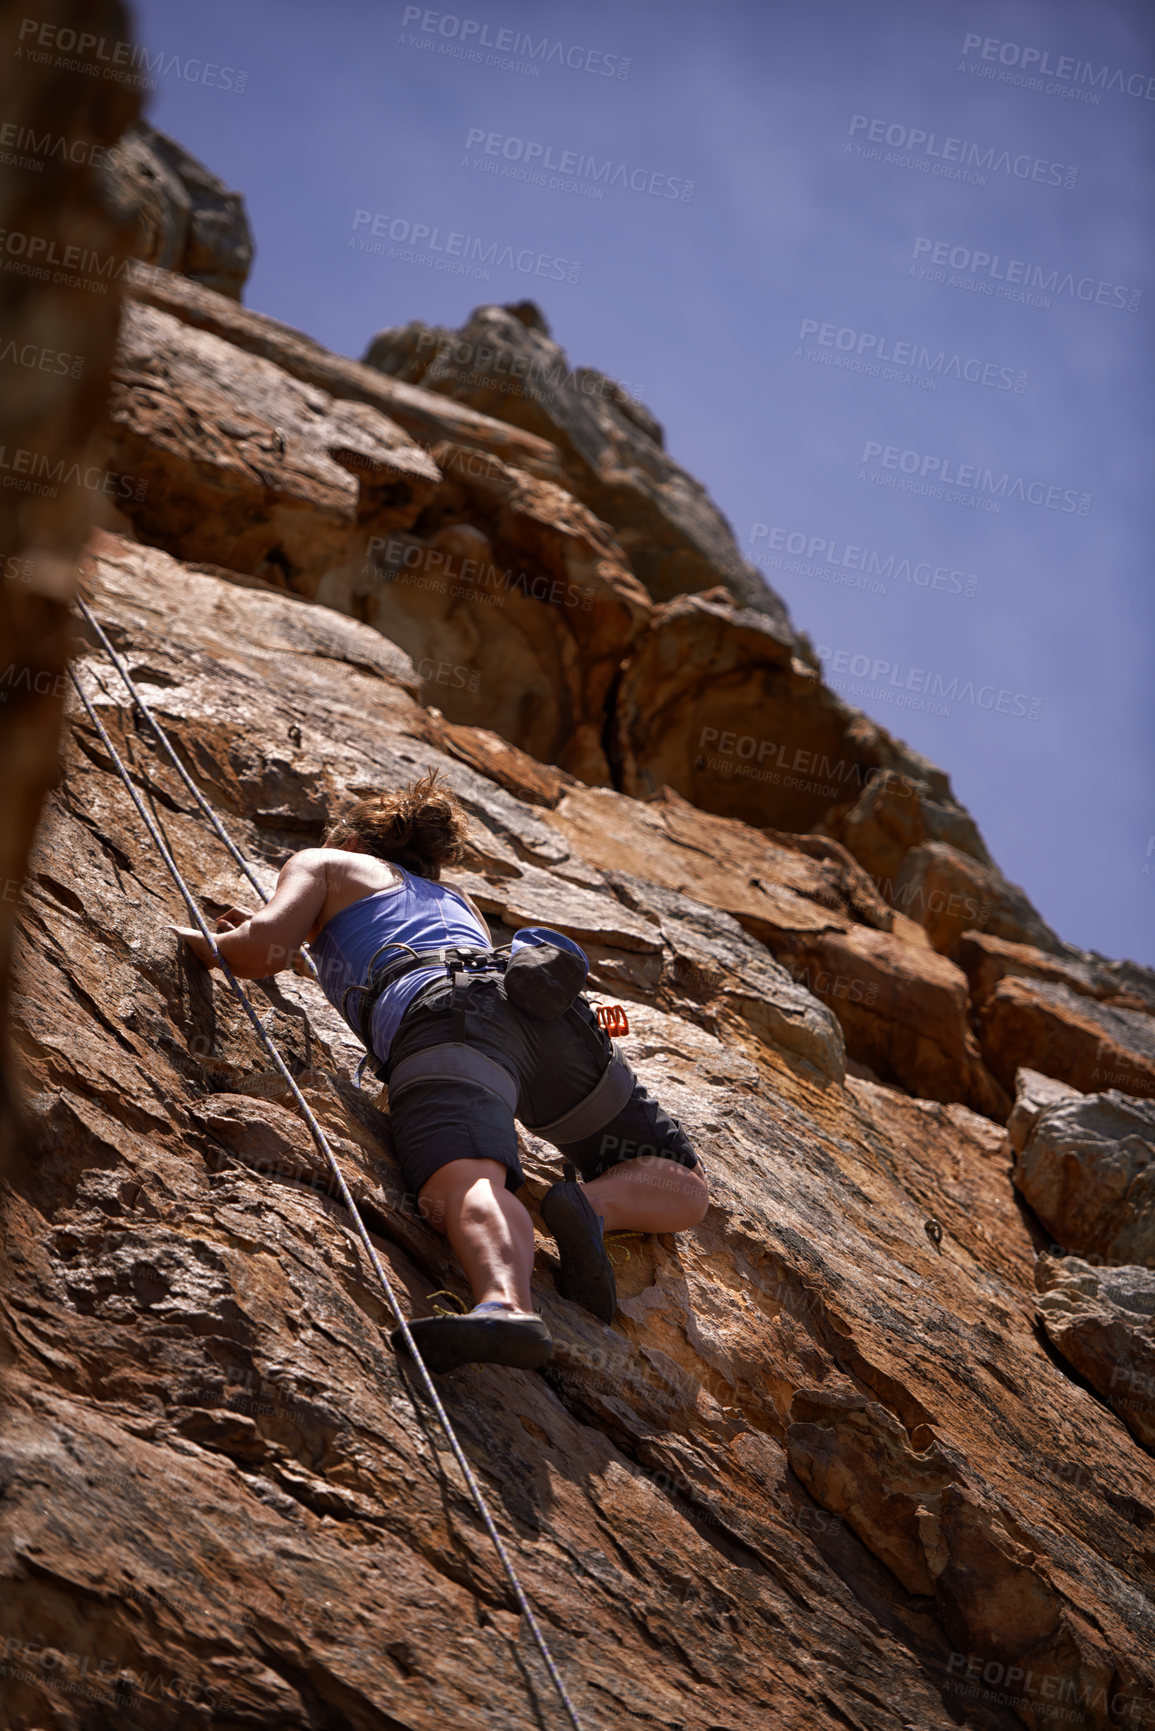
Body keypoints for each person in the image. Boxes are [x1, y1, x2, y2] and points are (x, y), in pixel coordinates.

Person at [175, 769, 709, 1373]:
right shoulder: (462, 906)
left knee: (467, 1178)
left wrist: (200, 939)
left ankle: (506, 1306)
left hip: (453, 1021)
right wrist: (295, 949)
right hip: (549, 1013)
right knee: (682, 1181)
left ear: (350, 841)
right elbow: (370, 944)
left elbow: (258, 951)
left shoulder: (324, 863)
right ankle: (594, 1207)